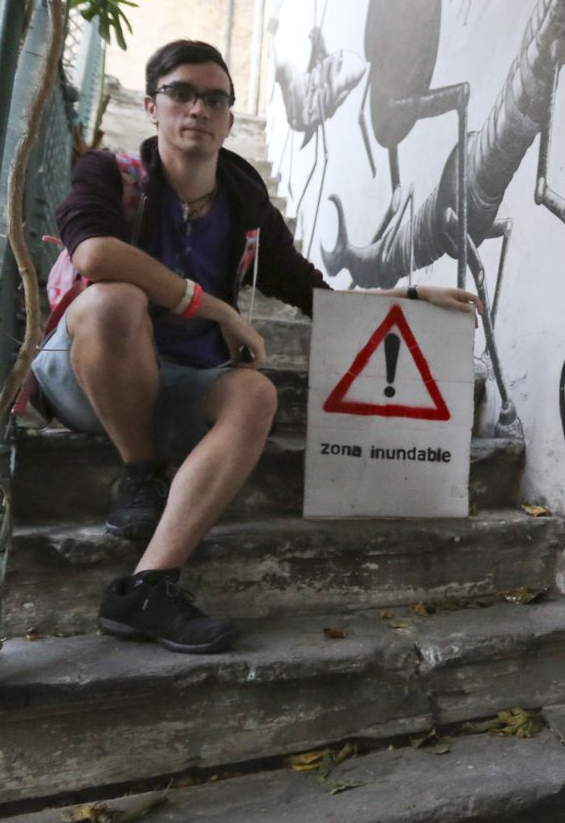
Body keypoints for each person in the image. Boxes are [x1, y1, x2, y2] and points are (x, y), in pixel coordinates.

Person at [39, 39, 481, 655]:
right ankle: (141, 473)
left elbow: (312, 295)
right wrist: (215, 307)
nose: (198, 109)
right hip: (89, 376)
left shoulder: (246, 209)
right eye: (182, 94)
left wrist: (408, 296)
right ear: (151, 106)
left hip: (178, 382)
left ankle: (148, 586)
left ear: (228, 118)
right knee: (116, 298)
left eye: (215, 99)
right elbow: (93, 254)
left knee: (255, 392)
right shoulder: (112, 174)